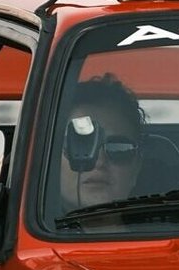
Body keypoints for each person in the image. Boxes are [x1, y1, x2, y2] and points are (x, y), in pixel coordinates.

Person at [57, 74, 147, 209]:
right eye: (82, 145)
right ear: (50, 161)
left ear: (136, 168)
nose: (99, 161)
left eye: (118, 148)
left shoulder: (170, 230)